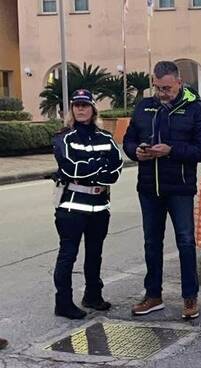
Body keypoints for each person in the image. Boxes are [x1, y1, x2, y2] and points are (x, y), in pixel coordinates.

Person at [123, 61, 201, 320]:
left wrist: (172, 150)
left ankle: (189, 298)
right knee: (152, 242)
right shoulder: (143, 107)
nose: (162, 93)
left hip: (180, 188)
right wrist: (136, 151)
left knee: (185, 241)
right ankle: (153, 295)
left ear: (179, 83)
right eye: (158, 88)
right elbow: (128, 140)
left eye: (167, 88)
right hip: (149, 187)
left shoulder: (194, 110)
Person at [52, 89, 123, 319]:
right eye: (76, 105)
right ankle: (63, 303)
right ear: (71, 109)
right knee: (67, 255)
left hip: (100, 206)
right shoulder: (64, 137)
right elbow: (70, 168)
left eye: (85, 105)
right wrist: (100, 166)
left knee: (95, 254)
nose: (80, 109)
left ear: (93, 109)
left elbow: (116, 170)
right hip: (72, 207)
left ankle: (93, 295)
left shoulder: (106, 138)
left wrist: (90, 169)